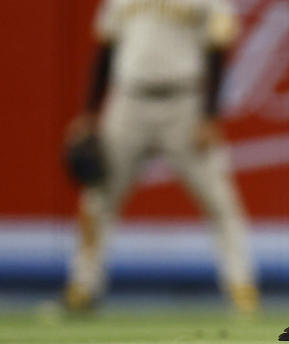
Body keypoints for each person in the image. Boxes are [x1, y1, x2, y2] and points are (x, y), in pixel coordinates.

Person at [64, 0, 259, 313]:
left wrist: (209, 116)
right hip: (128, 100)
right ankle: (83, 286)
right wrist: (90, 113)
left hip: (186, 101)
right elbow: (106, 50)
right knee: (98, 198)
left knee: (220, 200)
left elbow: (218, 51)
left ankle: (242, 287)